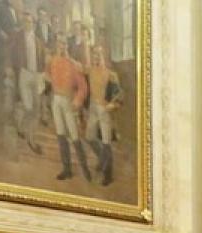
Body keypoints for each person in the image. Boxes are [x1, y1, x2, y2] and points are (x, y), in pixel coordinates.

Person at [44, 35, 91, 181]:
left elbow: (83, 87)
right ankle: (67, 169)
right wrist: (48, 79)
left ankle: (85, 170)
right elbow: (46, 74)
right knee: (60, 135)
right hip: (56, 101)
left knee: (75, 137)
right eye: (59, 44)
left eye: (64, 44)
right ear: (56, 45)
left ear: (67, 46)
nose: (62, 46)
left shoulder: (74, 64)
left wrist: (77, 101)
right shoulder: (52, 61)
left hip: (69, 102)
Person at [8, 10, 44, 156]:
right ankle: (27, 135)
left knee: (35, 110)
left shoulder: (38, 41)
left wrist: (42, 75)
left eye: (30, 22)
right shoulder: (17, 37)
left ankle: (29, 136)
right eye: (25, 22)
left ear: (34, 24)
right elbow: (10, 53)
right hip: (24, 74)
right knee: (28, 108)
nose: (27, 24)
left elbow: (42, 59)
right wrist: (9, 67)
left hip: (37, 76)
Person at [84, 44, 120, 186]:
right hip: (93, 107)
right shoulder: (89, 71)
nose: (96, 57)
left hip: (104, 109)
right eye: (94, 55)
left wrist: (112, 104)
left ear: (103, 56)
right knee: (90, 137)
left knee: (106, 142)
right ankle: (102, 159)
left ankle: (108, 175)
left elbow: (119, 94)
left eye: (99, 55)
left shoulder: (111, 75)